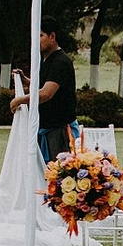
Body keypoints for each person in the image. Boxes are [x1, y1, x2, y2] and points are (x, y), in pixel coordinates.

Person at [33, 30, 78, 170]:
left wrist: (20, 100)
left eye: (40, 35)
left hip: (59, 130)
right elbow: (44, 85)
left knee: (60, 173)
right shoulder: (46, 60)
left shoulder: (60, 62)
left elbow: (46, 93)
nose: (36, 40)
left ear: (52, 36)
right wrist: (26, 81)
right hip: (47, 127)